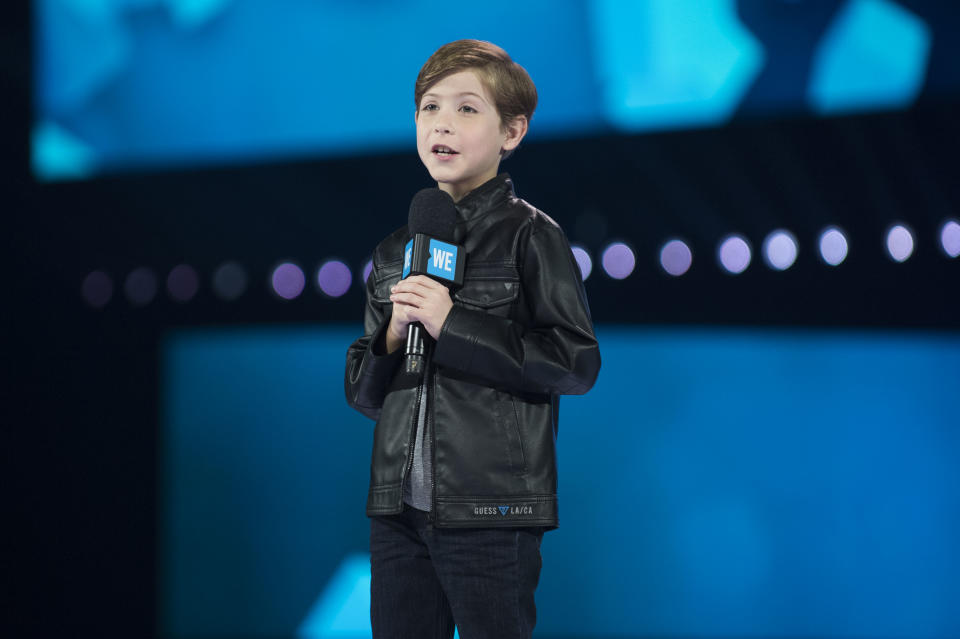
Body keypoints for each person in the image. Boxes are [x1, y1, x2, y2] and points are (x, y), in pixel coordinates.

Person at [344, 39, 601, 639]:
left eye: (466, 109)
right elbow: (363, 393)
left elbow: (575, 363)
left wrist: (452, 323)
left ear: (512, 133)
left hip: (492, 510)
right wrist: (394, 333)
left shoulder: (531, 236)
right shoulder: (392, 253)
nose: (442, 124)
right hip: (397, 515)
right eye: (429, 107)